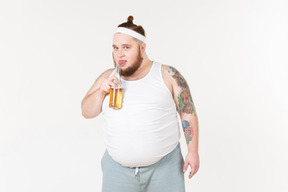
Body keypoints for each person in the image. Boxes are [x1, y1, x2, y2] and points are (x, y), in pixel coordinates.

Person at [81, 16, 199, 192]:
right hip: (117, 170)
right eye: (115, 48)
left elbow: (187, 111)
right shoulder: (108, 77)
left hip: (165, 168)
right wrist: (101, 92)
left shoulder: (167, 75)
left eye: (126, 48)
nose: (119, 54)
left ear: (142, 48)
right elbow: (86, 111)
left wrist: (192, 151)